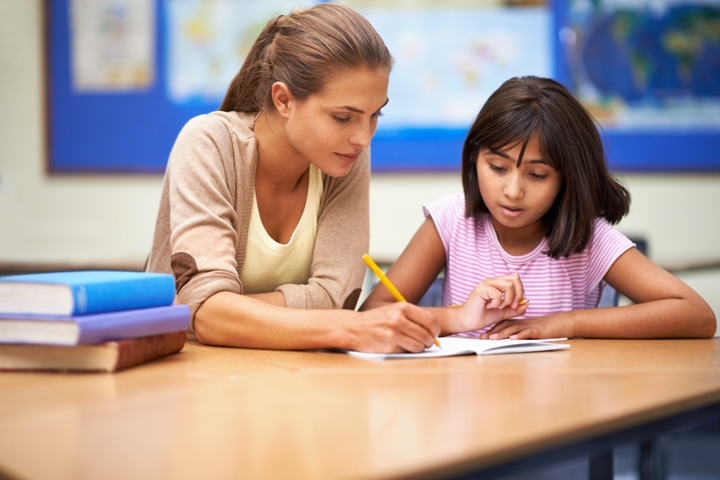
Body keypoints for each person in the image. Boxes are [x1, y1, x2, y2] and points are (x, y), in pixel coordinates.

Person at [146, 4, 439, 353]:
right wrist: (346, 329)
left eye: (375, 115)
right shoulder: (209, 142)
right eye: (344, 117)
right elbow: (207, 314)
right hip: (188, 374)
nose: (364, 137)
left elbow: (336, 299)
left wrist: (228, 310)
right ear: (284, 100)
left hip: (290, 374)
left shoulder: (343, 157)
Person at [360, 75, 716, 340]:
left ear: (567, 177)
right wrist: (457, 319)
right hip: (464, 412)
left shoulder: (588, 238)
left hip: (559, 413)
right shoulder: (452, 219)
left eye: (538, 175)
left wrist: (564, 323)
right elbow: (374, 313)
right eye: (497, 168)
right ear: (473, 159)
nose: (513, 191)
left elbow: (697, 315)